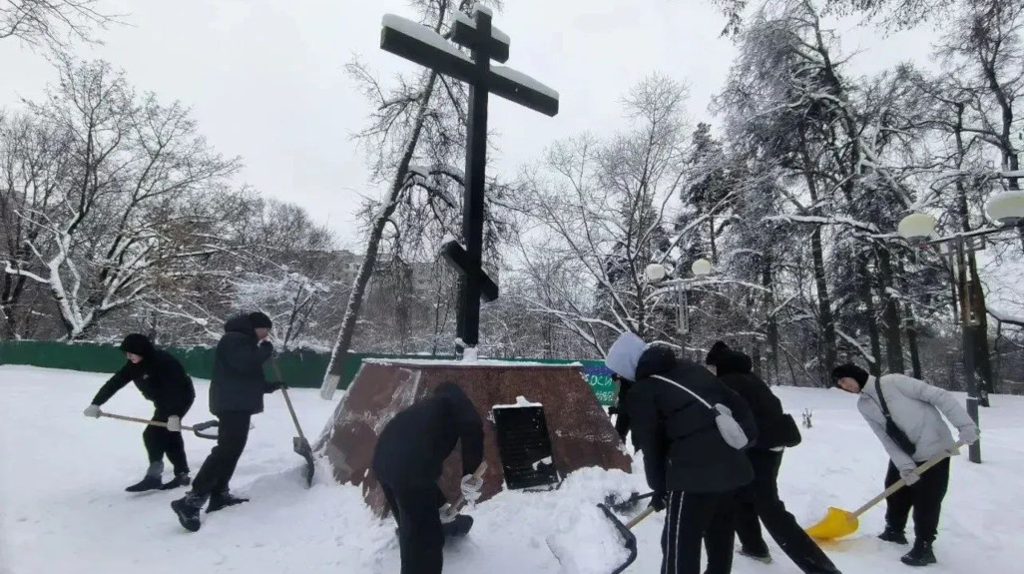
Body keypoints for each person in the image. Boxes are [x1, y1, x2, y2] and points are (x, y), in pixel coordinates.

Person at [606, 332, 757, 574]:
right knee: (720, 537)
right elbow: (737, 404)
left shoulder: (643, 391)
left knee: (680, 545)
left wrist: (660, 487)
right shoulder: (691, 368)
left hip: (693, 478)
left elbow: (652, 446)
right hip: (733, 469)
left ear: (629, 365)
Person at [710, 345, 840, 574]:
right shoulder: (749, 378)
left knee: (769, 507)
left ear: (718, 364)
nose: (709, 371)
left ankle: (821, 569)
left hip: (760, 447)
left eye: (710, 366)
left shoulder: (729, 383)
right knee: (740, 493)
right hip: (769, 444)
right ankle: (754, 547)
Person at [832, 363, 979, 567]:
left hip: (935, 448)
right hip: (906, 452)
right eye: (839, 385)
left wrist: (965, 424)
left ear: (854, 374)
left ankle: (924, 546)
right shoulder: (863, 406)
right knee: (895, 489)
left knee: (926, 499)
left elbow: (939, 396)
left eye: (843, 380)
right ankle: (894, 530)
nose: (843, 386)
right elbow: (885, 438)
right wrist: (904, 466)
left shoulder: (895, 382)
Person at [171, 312, 282, 532]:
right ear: (256, 327)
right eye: (265, 330)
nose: (266, 335)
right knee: (225, 450)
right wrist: (265, 351)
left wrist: (269, 386)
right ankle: (191, 501)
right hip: (232, 406)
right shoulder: (234, 339)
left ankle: (219, 494)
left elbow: (243, 376)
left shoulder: (243, 342)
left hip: (236, 404)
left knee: (232, 450)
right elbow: (245, 364)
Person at [371, 382, 485, 574]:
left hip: (382, 461)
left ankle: (437, 526)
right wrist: (470, 474)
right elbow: (473, 427)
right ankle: (422, 540)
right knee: (423, 541)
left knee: (414, 517)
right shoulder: (458, 405)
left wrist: (440, 505)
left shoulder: (426, 409)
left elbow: (412, 454)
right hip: (409, 469)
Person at [84, 334, 196, 492]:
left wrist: (173, 416)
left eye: (131, 353)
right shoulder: (133, 365)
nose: (128, 356)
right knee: (169, 433)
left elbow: (175, 390)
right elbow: (115, 382)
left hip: (180, 398)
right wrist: (96, 403)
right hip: (162, 400)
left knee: (152, 434)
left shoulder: (164, 362)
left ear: (142, 350)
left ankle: (154, 477)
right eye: (126, 353)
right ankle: (182, 474)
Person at [609, 372, 632, 442]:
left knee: (620, 435)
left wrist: (617, 410)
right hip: (624, 406)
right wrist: (618, 376)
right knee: (619, 434)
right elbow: (614, 376)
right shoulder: (626, 372)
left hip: (630, 408)